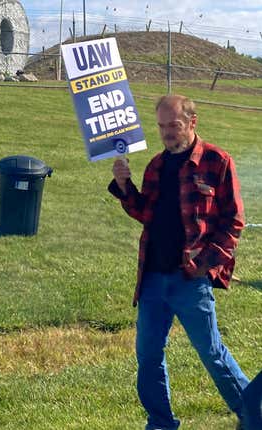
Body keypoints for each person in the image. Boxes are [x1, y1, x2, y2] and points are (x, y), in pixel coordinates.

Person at [108, 94, 249, 429]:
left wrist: (208, 263)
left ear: (192, 122)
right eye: (161, 126)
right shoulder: (156, 165)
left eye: (174, 125)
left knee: (212, 354)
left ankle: (252, 413)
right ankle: (160, 422)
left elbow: (234, 221)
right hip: (153, 278)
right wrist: (125, 186)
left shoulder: (217, 161)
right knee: (148, 356)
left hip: (190, 279)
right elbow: (145, 213)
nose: (168, 133)